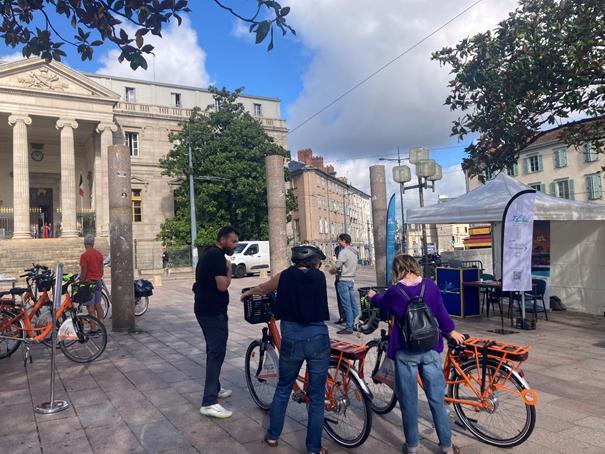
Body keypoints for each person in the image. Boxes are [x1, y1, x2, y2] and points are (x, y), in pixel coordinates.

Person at [368, 255, 464, 454]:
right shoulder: (430, 286)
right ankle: (447, 446)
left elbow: (381, 302)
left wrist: (372, 296)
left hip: (406, 352)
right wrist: (451, 331)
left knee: (409, 401)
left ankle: (412, 446)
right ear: (414, 267)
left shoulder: (395, 291)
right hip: (430, 349)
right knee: (437, 400)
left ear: (397, 270)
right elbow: (441, 313)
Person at [242, 244, 330, 454]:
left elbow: (264, 288)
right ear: (313, 262)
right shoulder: (319, 277)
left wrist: (249, 293)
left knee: (283, 388)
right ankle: (314, 449)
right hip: (318, 337)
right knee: (317, 397)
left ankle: (273, 436)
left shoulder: (284, 276)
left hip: (292, 338)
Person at [194, 226, 239, 419]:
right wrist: (229, 270)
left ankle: (216, 387)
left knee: (214, 350)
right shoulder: (218, 257)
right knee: (216, 352)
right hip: (213, 312)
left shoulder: (208, 253)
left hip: (205, 309)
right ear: (222, 240)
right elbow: (222, 285)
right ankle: (209, 401)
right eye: (233, 241)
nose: (235, 245)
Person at [330, 233, 359, 334]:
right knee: (353, 304)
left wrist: (334, 262)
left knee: (346, 305)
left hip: (343, 280)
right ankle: (356, 323)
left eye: (339, 240)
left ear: (343, 241)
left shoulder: (343, 252)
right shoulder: (355, 251)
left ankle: (349, 327)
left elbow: (337, 267)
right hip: (351, 279)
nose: (338, 242)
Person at [79, 234, 105, 334]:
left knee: (90, 306)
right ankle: (101, 326)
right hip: (98, 281)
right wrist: (97, 276)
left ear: (85, 243)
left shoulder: (84, 256)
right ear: (93, 243)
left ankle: (93, 329)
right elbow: (102, 271)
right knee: (98, 304)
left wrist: (81, 281)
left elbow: (84, 271)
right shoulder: (99, 254)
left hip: (89, 282)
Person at [333, 244, 345, 325]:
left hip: (345, 277)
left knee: (347, 300)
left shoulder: (349, 250)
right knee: (339, 298)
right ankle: (342, 317)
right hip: (338, 276)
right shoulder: (337, 248)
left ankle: (349, 319)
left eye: (339, 240)